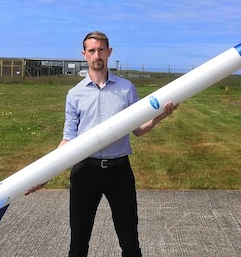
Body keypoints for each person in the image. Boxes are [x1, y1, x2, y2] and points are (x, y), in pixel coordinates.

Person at [27, 31, 178, 257]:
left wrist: (160, 116)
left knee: (130, 242)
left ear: (109, 52)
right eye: (92, 50)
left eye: (101, 50)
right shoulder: (74, 94)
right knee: (78, 243)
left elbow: (138, 129)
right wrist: (43, 176)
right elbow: (68, 139)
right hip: (85, 173)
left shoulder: (126, 89)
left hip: (119, 173)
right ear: (84, 54)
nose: (97, 54)